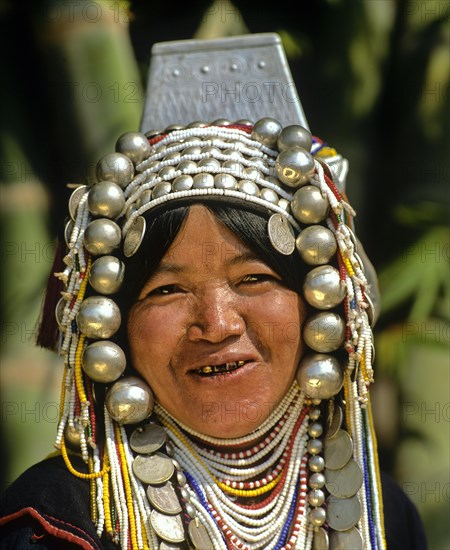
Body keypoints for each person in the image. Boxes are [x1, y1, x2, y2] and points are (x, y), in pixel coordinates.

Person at [0, 119, 427, 549]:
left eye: (253, 279)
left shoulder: (382, 516)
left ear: (321, 303)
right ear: (114, 325)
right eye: (167, 290)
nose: (217, 325)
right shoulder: (59, 521)